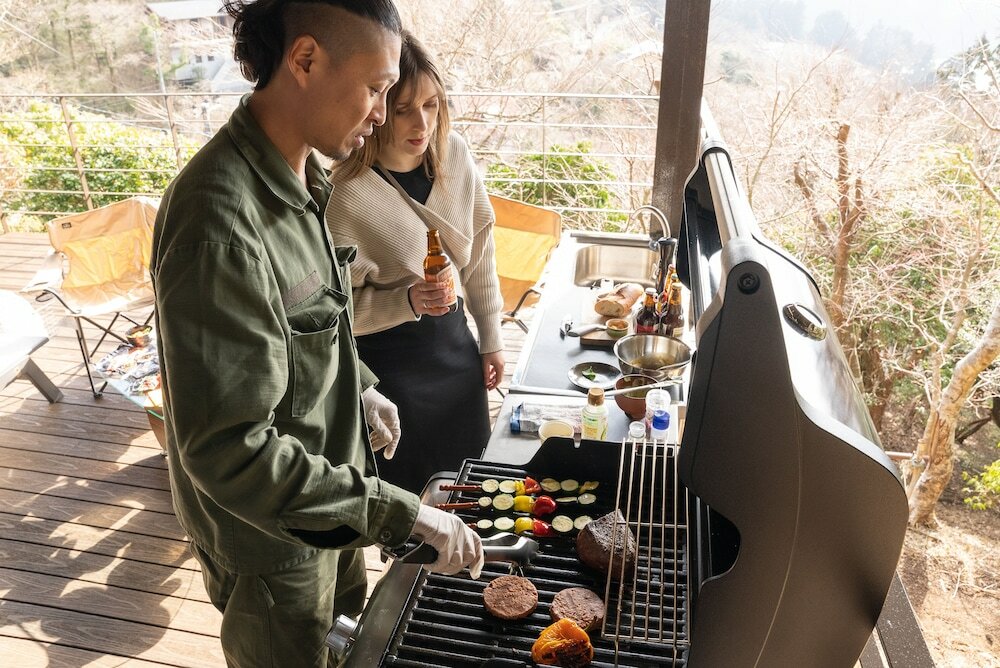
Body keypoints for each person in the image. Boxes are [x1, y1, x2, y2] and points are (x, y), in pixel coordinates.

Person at [150, 2, 483, 666]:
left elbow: (308, 326)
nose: (384, 114)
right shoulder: (221, 224)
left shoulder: (305, 179)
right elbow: (229, 452)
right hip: (273, 548)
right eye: (376, 88)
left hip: (330, 506)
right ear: (304, 60)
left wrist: (359, 389)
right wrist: (404, 514)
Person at [326, 31, 505, 494]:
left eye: (431, 104)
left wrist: (491, 338)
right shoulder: (347, 194)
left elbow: (480, 256)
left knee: (473, 487)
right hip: (390, 368)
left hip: (453, 346)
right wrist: (404, 300)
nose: (421, 122)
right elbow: (334, 313)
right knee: (413, 504)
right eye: (404, 108)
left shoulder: (454, 155)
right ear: (377, 108)